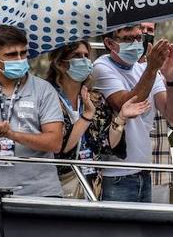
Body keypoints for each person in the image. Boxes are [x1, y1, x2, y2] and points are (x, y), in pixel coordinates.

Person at [91, 25, 173, 204]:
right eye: (128, 39)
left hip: (144, 171)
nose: (136, 43)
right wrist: (152, 69)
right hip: (115, 176)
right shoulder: (101, 67)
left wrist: (171, 81)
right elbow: (127, 103)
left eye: (139, 38)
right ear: (110, 43)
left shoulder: (144, 69)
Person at [45, 41, 148, 199]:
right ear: (60, 64)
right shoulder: (48, 97)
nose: (84, 60)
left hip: (92, 185)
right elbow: (61, 148)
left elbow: (107, 144)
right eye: (77, 56)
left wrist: (121, 118)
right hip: (59, 184)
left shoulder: (95, 98)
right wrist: (87, 115)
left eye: (86, 56)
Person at [0, 25, 64, 197]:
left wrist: (12, 135)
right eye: (11, 55)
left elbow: (55, 143)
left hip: (40, 193)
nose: (19, 59)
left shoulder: (44, 89)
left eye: (23, 53)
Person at [139, 22, 173, 204]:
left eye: (150, 30)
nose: (145, 34)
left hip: (159, 169)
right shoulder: (115, 69)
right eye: (141, 29)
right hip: (124, 173)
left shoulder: (161, 73)